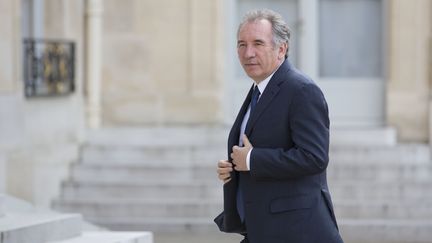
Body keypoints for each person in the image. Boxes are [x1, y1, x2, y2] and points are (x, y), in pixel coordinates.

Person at [214, 9, 344, 243]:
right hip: (263, 228)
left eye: (258, 43)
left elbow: (314, 157)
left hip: (297, 231)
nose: (248, 53)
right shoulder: (258, 90)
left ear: (281, 49)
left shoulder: (301, 90)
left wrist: (252, 160)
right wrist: (234, 167)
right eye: (241, 44)